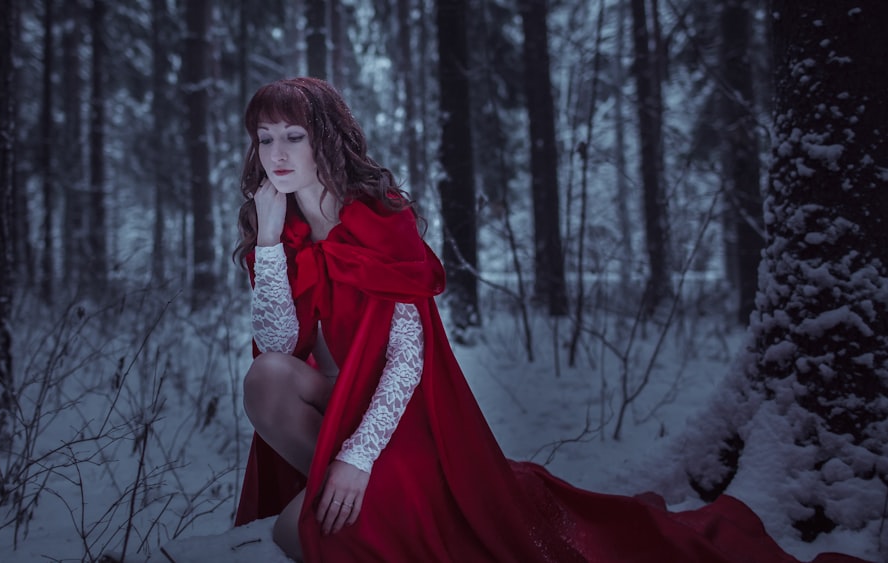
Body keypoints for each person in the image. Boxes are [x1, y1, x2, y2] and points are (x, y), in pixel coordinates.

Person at [232, 77, 867, 563]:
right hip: (335, 410)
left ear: (326, 140)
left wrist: (358, 460)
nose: (278, 153)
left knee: (301, 532)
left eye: (294, 136)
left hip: (403, 425)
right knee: (265, 378)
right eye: (265, 138)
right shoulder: (282, 229)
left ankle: (358, 494)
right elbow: (282, 345)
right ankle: (345, 497)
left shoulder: (379, 220)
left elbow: (407, 361)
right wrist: (265, 239)